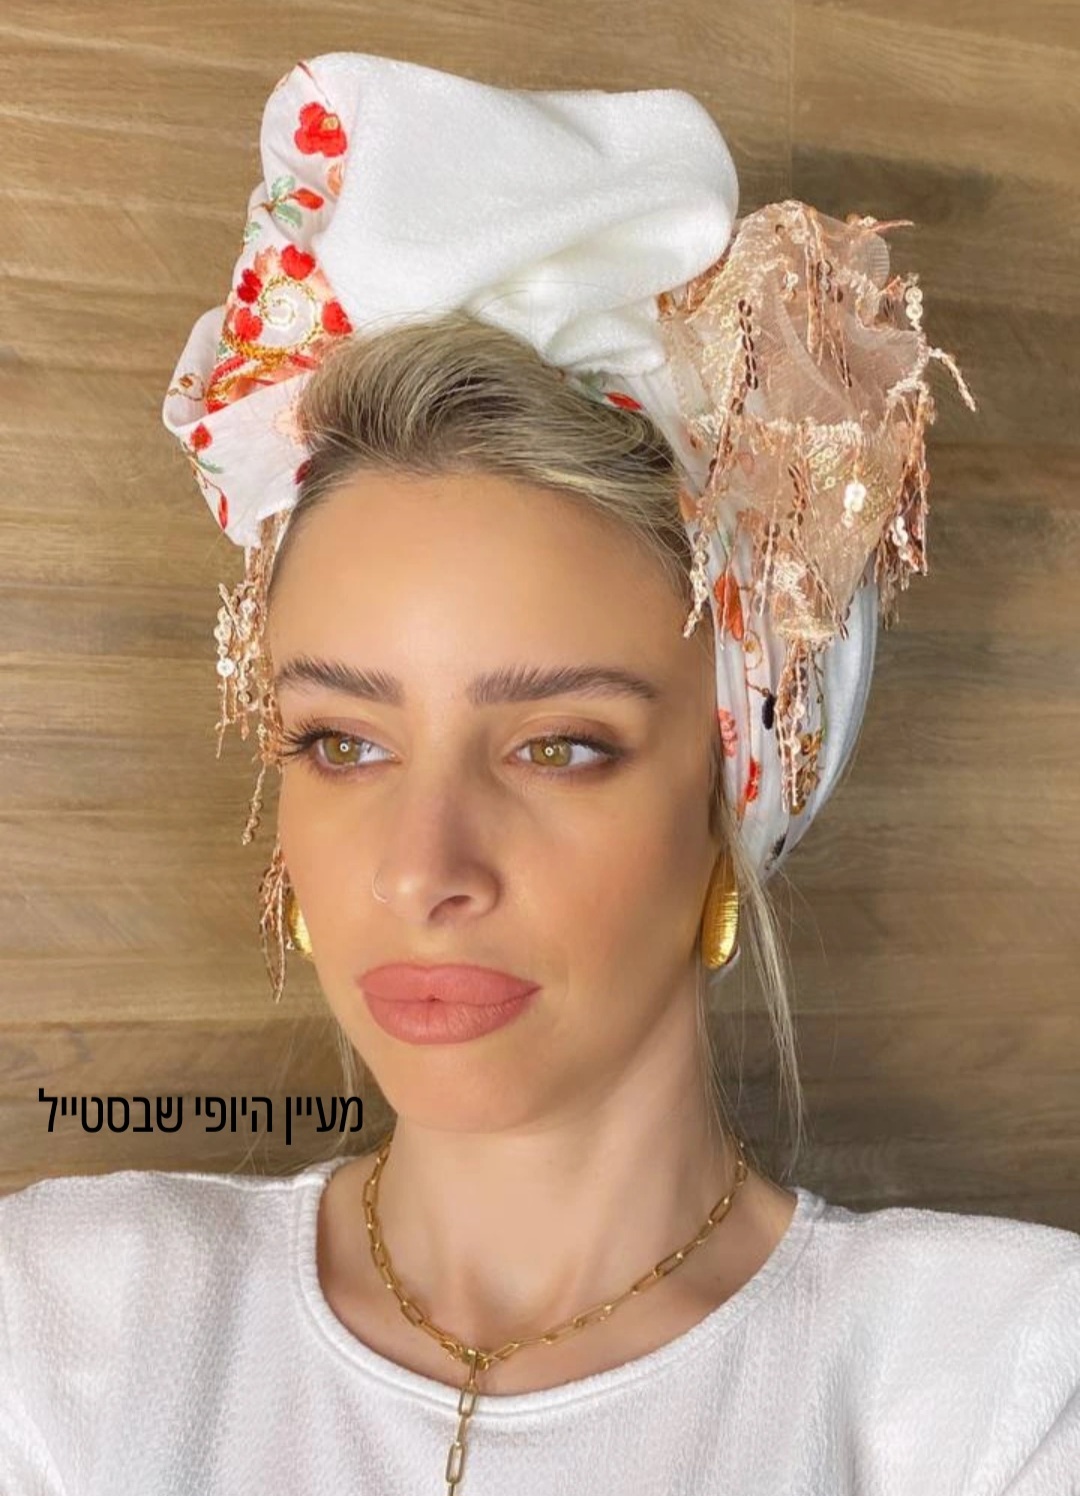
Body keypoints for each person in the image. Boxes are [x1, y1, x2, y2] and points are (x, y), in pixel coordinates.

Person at [2, 51, 1077, 1496]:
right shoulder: (58, 1339)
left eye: (558, 746)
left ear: (741, 788)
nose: (421, 870)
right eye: (342, 743)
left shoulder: (993, 1392)